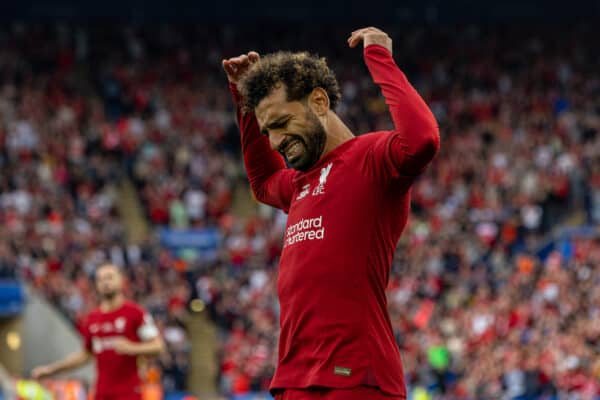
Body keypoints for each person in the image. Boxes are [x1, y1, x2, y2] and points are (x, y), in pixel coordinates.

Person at [222, 27, 440, 400]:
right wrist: (244, 103)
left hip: (355, 376)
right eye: (266, 131)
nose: (274, 142)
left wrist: (380, 58)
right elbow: (262, 182)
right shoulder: (299, 184)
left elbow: (422, 140)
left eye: (281, 124)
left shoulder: (370, 158)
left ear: (319, 102)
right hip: (294, 377)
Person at [32, 263, 165, 400]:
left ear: (121, 280)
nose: (105, 283)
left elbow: (158, 346)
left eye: (109, 277)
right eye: (100, 279)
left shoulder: (136, 313)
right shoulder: (92, 319)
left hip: (128, 394)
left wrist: (132, 348)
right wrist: (51, 370)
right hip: (101, 394)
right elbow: (85, 355)